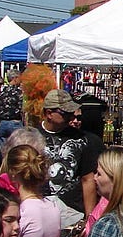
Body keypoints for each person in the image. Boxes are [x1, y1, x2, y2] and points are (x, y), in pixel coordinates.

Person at [39, 89, 104, 222]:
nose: (71, 116)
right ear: (49, 113)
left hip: (73, 214)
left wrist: (89, 219)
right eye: (65, 113)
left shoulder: (83, 140)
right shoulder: (31, 137)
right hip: (39, 211)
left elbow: (88, 180)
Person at [0, 70, 25, 141]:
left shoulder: (2, 93)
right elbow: (22, 109)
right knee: (16, 148)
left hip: (3, 123)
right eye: (20, 78)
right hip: (15, 123)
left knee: (4, 149)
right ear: (15, 78)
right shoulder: (18, 93)